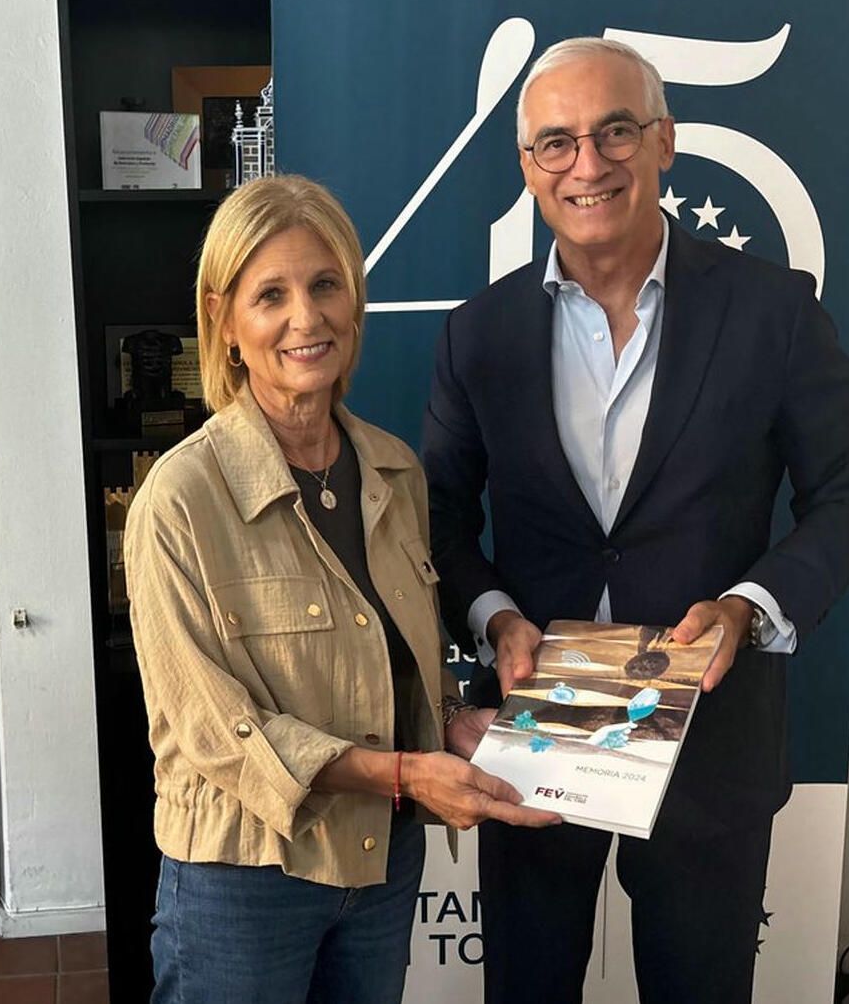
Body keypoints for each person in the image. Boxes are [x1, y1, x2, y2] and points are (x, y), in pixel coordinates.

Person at [424, 38, 849, 1004]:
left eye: (615, 132)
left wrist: (746, 608)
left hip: (708, 742)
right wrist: (494, 616)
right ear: (527, 167)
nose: (586, 165)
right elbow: (437, 516)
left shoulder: (773, 311)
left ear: (664, 141)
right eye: (555, 143)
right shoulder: (479, 334)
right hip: (537, 729)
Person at [125, 174, 559, 1004]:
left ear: (354, 301)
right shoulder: (180, 499)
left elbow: (398, 659)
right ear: (224, 321)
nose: (306, 317)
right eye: (270, 295)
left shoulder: (394, 471)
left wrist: (451, 723)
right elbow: (213, 729)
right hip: (245, 875)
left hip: (382, 864)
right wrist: (404, 775)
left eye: (325, 284)